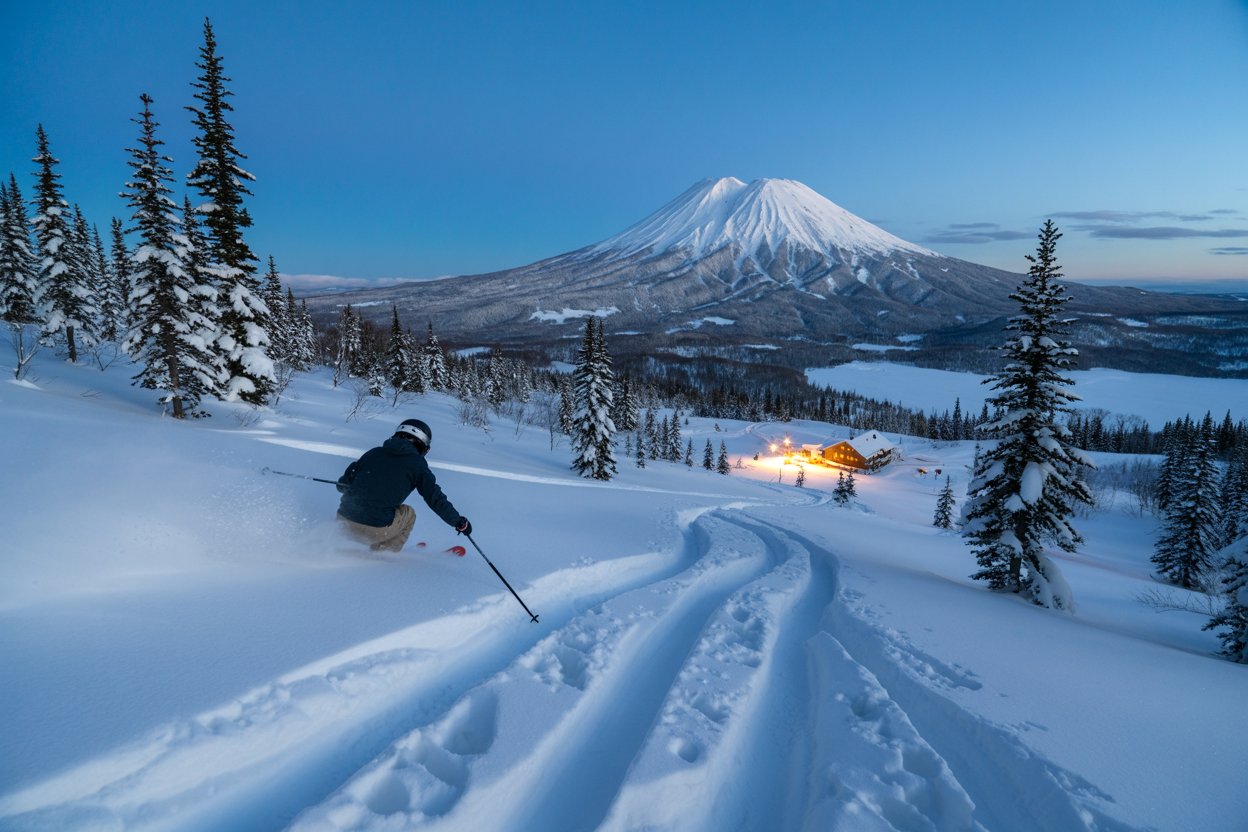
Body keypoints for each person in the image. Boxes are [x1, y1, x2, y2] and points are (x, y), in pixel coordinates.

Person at [336, 418, 471, 552]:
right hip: (374, 531)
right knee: (408, 514)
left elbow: (341, 486)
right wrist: (458, 522)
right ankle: (384, 555)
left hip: (342, 523)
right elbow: (435, 498)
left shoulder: (373, 452)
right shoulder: (417, 464)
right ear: (423, 445)